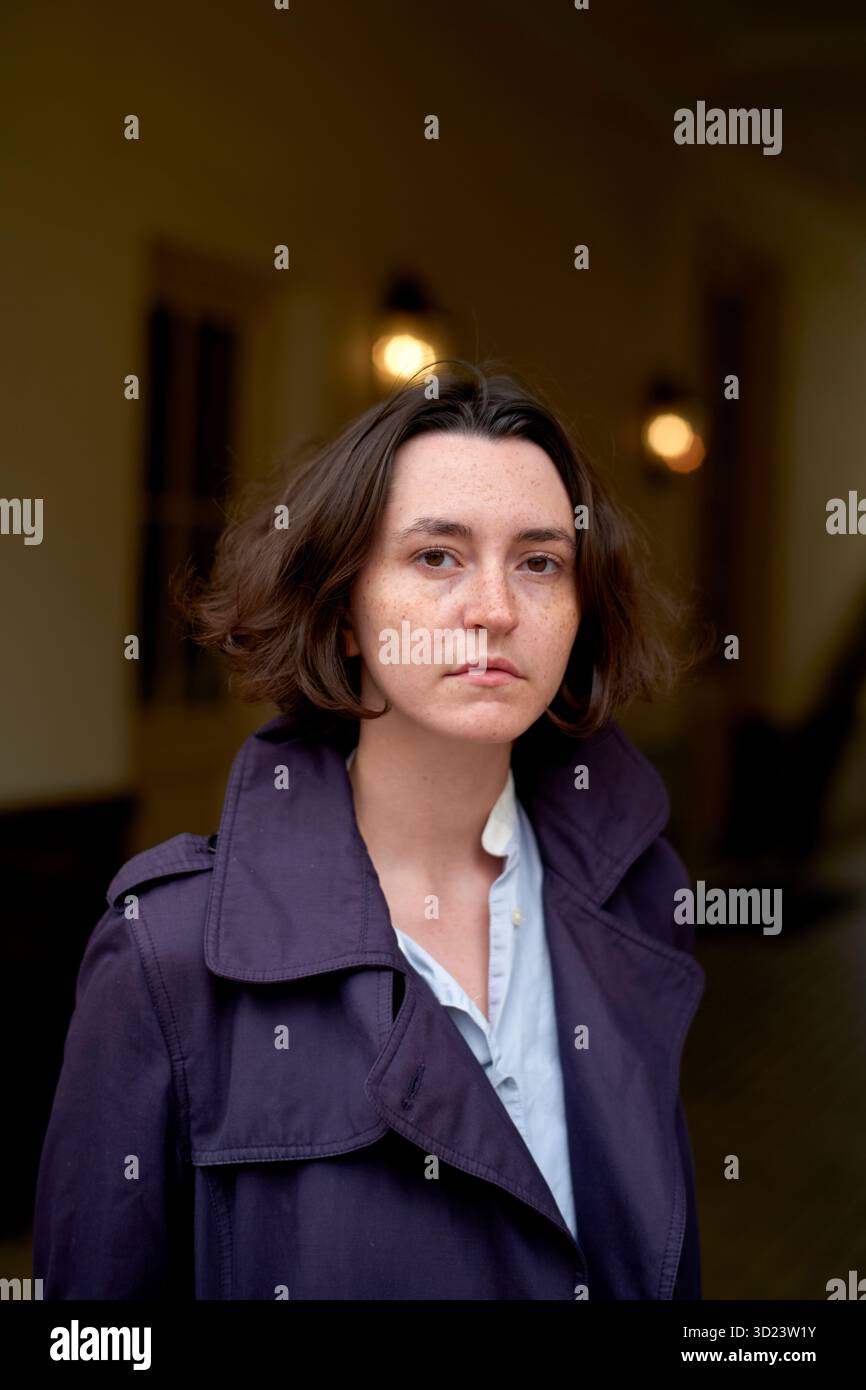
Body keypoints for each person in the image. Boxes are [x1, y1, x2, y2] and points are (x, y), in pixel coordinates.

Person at [33, 361, 706, 1300]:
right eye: (437, 556)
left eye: (541, 562)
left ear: (582, 611)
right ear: (344, 611)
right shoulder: (167, 957)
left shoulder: (634, 894)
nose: (495, 610)